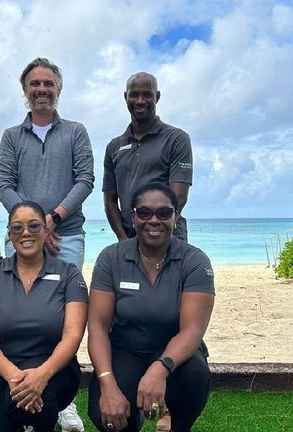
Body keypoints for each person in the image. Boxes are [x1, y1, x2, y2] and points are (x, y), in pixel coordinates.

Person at [0, 57, 93, 431]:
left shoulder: (76, 131)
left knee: (64, 316)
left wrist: (51, 220)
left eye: (48, 83)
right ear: (25, 91)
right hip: (21, 238)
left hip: (66, 236)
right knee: (19, 315)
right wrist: (31, 227)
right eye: (34, 84)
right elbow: (4, 184)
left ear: (58, 89)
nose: (41, 90)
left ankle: (62, 398)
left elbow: (85, 179)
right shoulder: (11, 137)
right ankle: (20, 387)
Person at [87, 182, 215, 432]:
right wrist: (107, 384)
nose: (153, 220)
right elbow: (98, 327)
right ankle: (132, 422)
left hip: (176, 354)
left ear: (175, 216)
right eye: (144, 213)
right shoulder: (110, 258)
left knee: (194, 375)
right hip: (125, 349)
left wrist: (160, 367)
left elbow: (192, 331)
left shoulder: (194, 261)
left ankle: (177, 424)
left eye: (164, 213)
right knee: (108, 419)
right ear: (133, 217)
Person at [0, 201, 88, 432]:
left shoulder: (68, 273)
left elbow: (73, 334)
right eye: (17, 228)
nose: (26, 233)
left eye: (34, 226)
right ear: (9, 234)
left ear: (46, 230)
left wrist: (42, 375)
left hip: (52, 367)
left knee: (36, 405)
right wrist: (13, 376)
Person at [103, 72, 193, 243]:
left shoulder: (176, 139)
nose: (140, 101)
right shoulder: (113, 147)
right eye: (134, 95)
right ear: (126, 97)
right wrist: (123, 240)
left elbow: (179, 197)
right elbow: (110, 200)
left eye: (147, 95)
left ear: (157, 97)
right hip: (128, 238)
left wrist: (157, 232)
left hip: (168, 237)